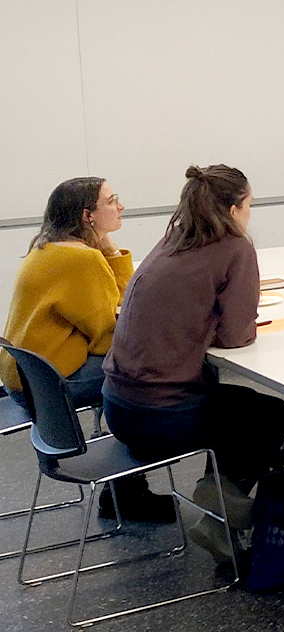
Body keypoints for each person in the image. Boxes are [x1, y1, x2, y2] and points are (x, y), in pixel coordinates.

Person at [102, 165, 284, 562]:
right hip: (164, 416)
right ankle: (221, 490)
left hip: (118, 407)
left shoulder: (171, 241)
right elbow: (239, 334)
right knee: (270, 413)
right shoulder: (234, 247)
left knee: (235, 404)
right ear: (234, 209)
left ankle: (219, 513)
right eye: (250, 205)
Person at [1, 178, 175, 522]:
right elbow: (110, 335)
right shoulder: (81, 260)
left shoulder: (51, 249)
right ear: (87, 216)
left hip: (26, 380)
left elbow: (118, 308)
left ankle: (122, 490)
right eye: (111, 201)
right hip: (52, 385)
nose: (121, 206)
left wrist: (108, 249)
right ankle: (127, 494)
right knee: (139, 377)